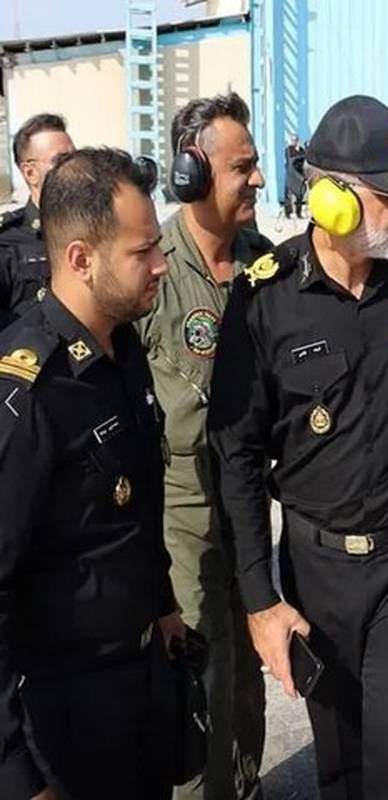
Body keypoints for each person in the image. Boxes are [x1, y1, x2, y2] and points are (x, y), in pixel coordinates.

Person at [208, 94, 388, 800]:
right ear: (332, 199)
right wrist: (260, 598)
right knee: (340, 762)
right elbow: (236, 458)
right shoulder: (265, 297)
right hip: (317, 569)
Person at [0, 147, 183, 799]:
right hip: (66, 719)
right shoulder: (30, 393)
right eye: (142, 252)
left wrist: (163, 605)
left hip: (141, 680)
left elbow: (131, 511)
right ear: (80, 258)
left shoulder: (123, 347)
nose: (161, 265)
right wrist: (17, 775)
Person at [137, 92, 272, 800]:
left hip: (248, 511)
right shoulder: (152, 270)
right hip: (181, 520)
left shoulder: (265, 265)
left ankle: (246, 788)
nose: (258, 179)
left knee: (249, 674)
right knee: (199, 683)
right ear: (191, 172)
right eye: (242, 167)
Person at [0, 113, 75, 327]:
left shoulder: (96, 230)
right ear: (30, 173)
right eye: (61, 160)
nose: (74, 168)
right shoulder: (7, 244)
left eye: (75, 158)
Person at [283, 132, 307, 220]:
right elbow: (291, 158)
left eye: (296, 140)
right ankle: (288, 213)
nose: (294, 141)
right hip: (291, 174)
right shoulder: (289, 149)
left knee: (299, 194)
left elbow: (304, 158)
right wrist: (298, 154)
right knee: (288, 194)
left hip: (299, 174)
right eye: (293, 140)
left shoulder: (301, 149)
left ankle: (298, 212)